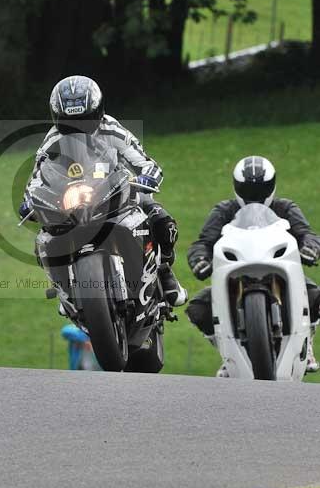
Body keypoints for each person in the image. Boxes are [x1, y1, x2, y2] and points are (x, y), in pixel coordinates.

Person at [19, 75, 187, 307]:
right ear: (57, 118)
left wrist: (146, 176)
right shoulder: (51, 142)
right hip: (74, 201)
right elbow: (37, 179)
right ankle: (64, 290)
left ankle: (164, 269)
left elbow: (144, 162)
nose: (78, 128)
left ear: (98, 112)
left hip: (117, 189)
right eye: (70, 123)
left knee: (160, 220)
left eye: (85, 120)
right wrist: (29, 201)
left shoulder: (113, 130)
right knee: (44, 240)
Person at [186, 155, 320, 376]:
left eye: (261, 190)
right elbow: (203, 243)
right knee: (199, 308)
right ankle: (228, 353)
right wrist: (199, 259)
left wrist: (310, 248)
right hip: (238, 270)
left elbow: (307, 234)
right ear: (237, 187)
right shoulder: (223, 211)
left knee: (314, 294)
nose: (255, 197)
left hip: (276, 267)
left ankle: (309, 344)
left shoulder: (285, 207)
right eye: (248, 190)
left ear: (272, 186)